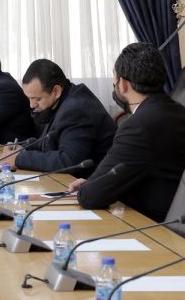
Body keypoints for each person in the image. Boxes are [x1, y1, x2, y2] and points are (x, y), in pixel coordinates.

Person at [68, 43, 185, 222]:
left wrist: (88, 187)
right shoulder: (179, 111)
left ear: (122, 84)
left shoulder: (138, 126)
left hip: (150, 227)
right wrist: (93, 183)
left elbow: (91, 197)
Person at [0, 59, 116, 177]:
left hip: (98, 182)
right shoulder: (63, 99)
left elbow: (69, 161)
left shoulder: (76, 109)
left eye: (37, 99)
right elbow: (49, 143)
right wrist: (22, 149)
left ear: (56, 91)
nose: (32, 105)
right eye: (29, 98)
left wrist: (19, 159)